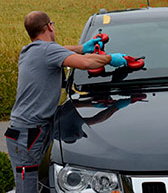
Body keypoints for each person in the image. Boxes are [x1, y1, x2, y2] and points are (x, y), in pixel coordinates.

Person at [4, 11, 127, 192]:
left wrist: (83, 47)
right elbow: (85, 64)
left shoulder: (29, 50)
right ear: (49, 26)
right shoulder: (47, 51)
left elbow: (59, 50)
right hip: (29, 134)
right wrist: (111, 58)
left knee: (35, 182)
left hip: (22, 132)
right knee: (27, 185)